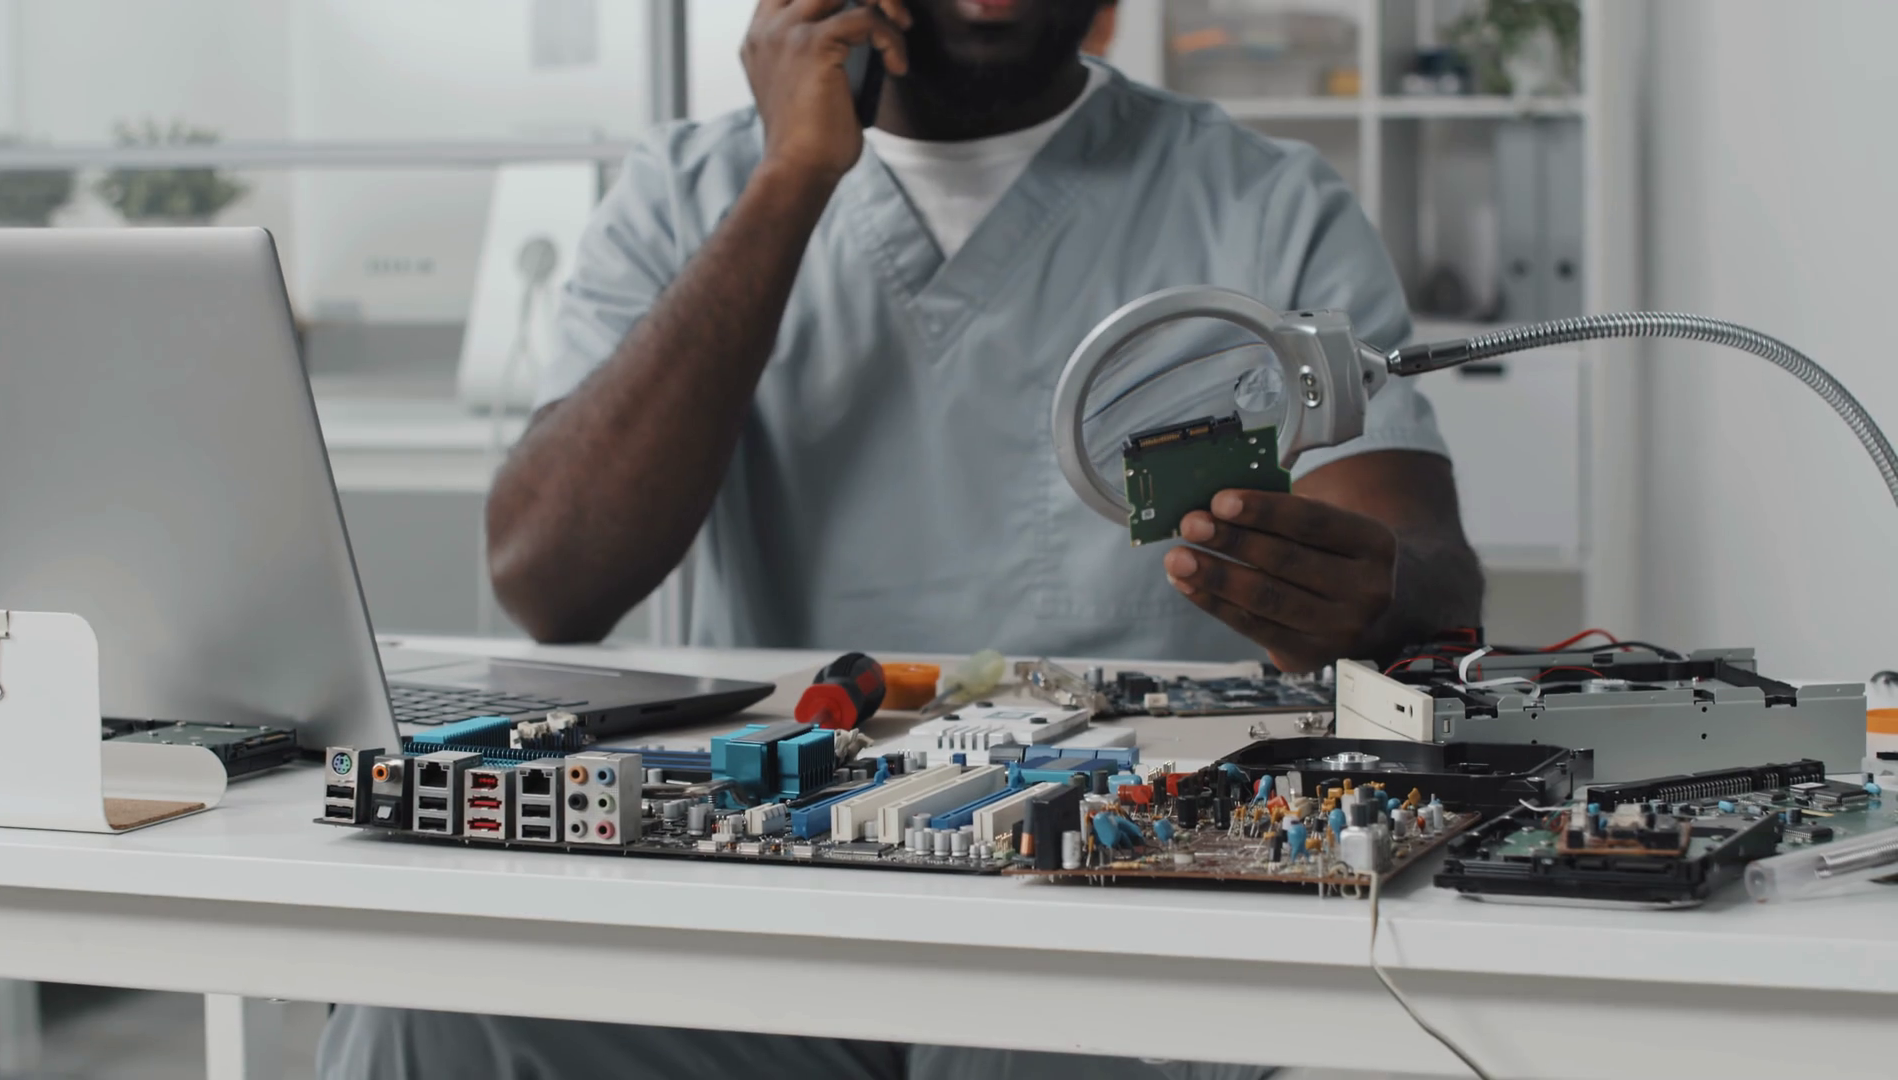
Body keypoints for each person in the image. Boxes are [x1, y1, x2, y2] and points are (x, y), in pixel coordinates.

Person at [321, 1, 1481, 1077]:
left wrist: (1364, 592)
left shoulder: (1261, 199)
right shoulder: (691, 190)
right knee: (421, 1008)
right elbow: (549, 582)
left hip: (1116, 907)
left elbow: (1419, 562)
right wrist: (788, 182)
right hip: (760, 912)